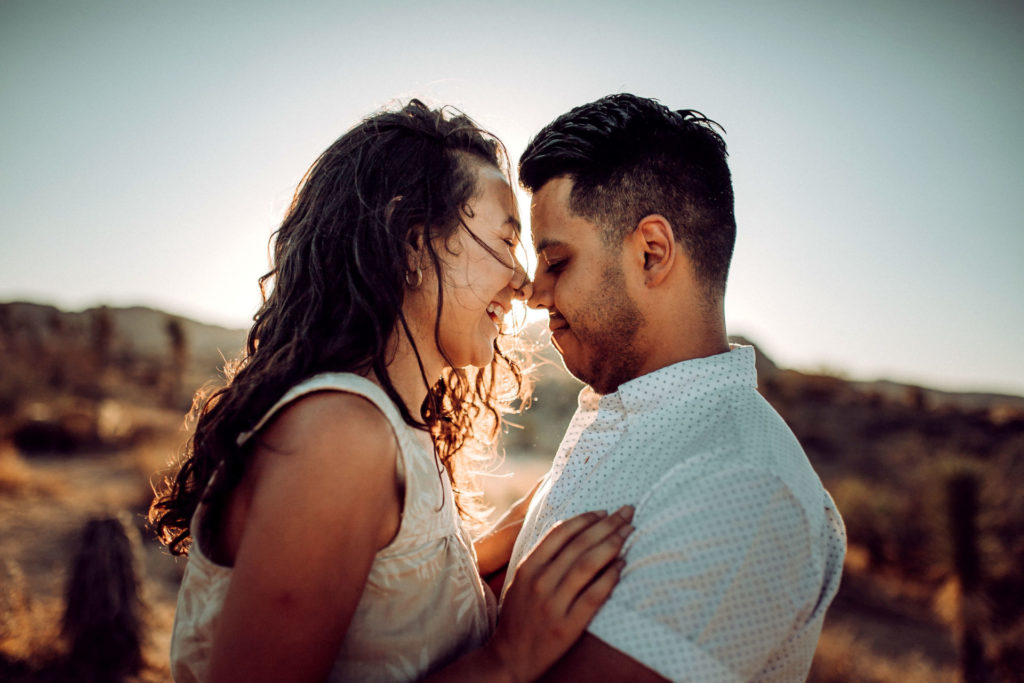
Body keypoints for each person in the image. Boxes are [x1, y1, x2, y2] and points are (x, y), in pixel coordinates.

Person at [149, 99, 635, 683]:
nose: (524, 282)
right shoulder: (338, 437)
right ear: (411, 241)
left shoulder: (392, 428)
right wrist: (507, 659)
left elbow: (385, 600)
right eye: (506, 243)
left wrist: (519, 538)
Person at [500, 94, 846, 682]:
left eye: (556, 262)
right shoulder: (638, 416)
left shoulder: (743, 485)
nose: (533, 295)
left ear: (651, 253)